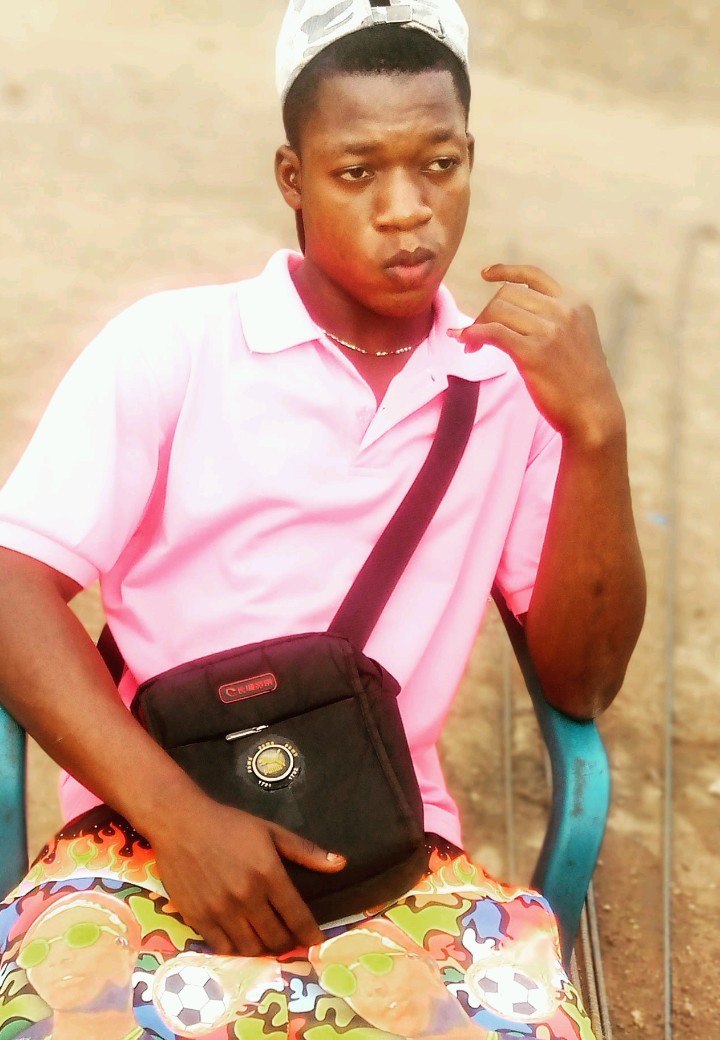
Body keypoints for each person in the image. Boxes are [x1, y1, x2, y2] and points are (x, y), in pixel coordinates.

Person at [0, 1, 646, 1037]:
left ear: (470, 159)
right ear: (293, 178)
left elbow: (585, 680)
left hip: (396, 854)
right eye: (357, 171)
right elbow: (11, 587)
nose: (407, 210)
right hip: (144, 841)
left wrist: (597, 436)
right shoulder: (173, 348)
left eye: (439, 164)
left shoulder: (510, 390)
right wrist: (180, 819)